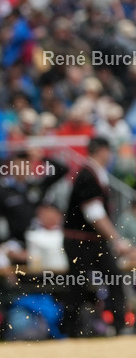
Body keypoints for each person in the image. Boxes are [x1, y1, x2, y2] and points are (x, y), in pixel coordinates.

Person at [63, 137, 134, 336]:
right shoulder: (88, 174)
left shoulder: (94, 173)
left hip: (91, 241)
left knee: (111, 279)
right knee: (79, 284)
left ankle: (117, 325)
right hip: (81, 241)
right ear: (102, 151)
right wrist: (117, 239)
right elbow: (94, 214)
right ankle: (72, 330)